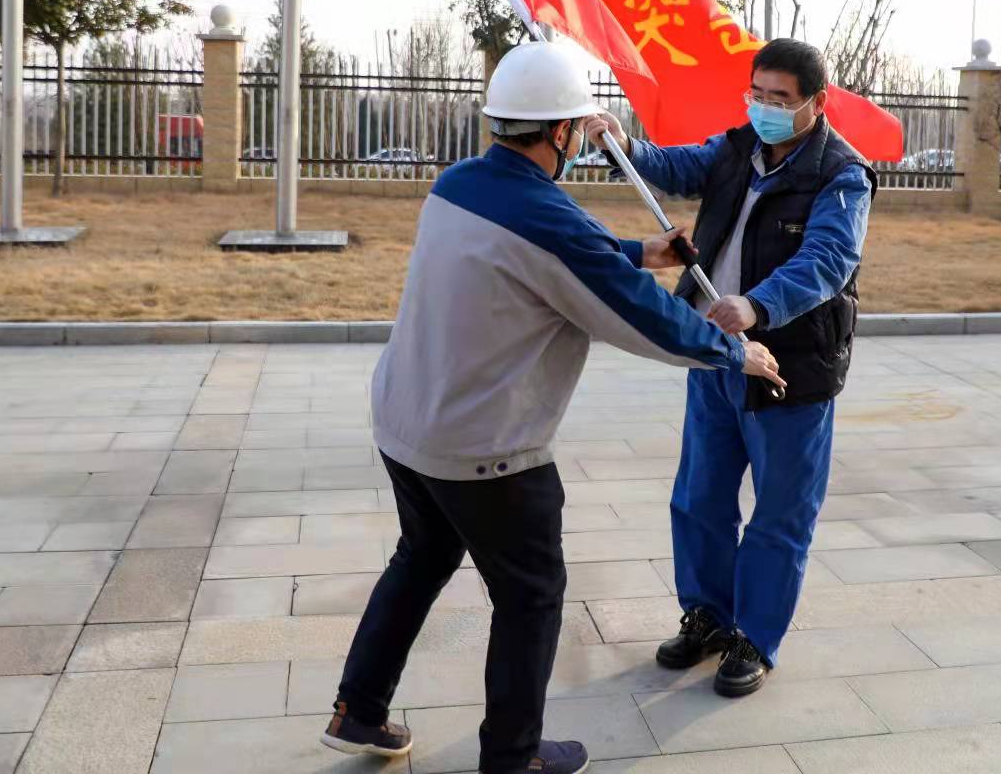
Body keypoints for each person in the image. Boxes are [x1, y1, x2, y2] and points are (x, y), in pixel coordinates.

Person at [321, 40, 785, 774]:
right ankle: (513, 757)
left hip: (407, 423)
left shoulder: (458, 183)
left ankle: (359, 709)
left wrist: (640, 251)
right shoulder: (546, 218)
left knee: (422, 556)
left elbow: (553, 248)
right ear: (563, 133)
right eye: (575, 127)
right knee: (532, 594)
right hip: (485, 449)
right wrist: (736, 352)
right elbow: (640, 317)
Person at [585, 38, 877, 698]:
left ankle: (755, 637)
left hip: (788, 368)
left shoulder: (842, 175)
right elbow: (673, 166)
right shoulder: (736, 149)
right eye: (758, 94)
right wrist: (622, 146)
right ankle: (708, 618)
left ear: (816, 103)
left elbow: (827, 264)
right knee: (700, 497)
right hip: (717, 356)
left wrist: (756, 305)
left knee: (780, 511)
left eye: (780, 99)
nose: (766, 109)